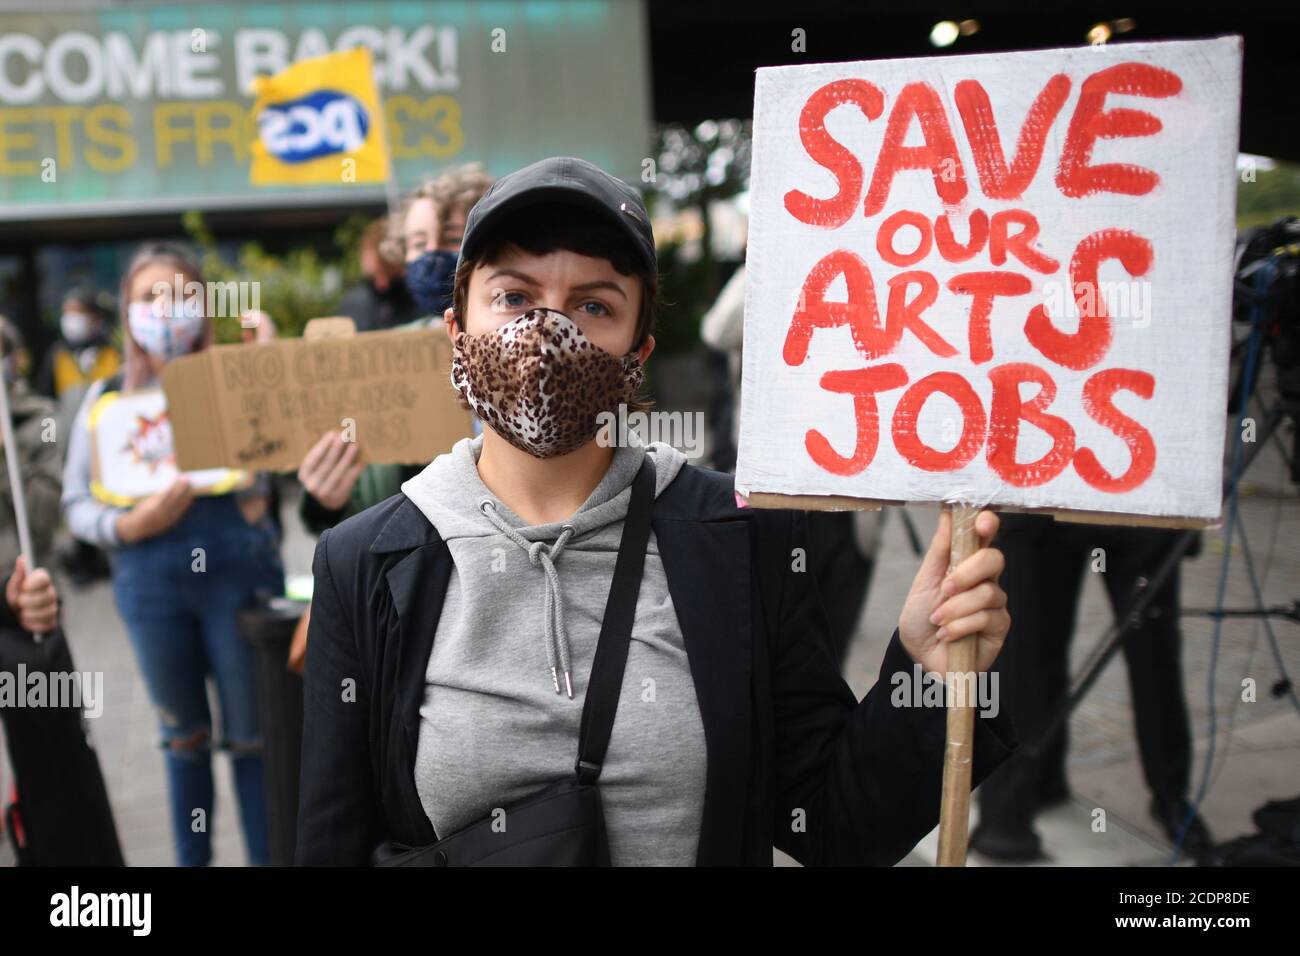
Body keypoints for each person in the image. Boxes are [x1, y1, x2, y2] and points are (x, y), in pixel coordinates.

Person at [296, 156, 1017, 866]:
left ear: (638, 351)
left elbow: (835, 826)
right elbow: (334, 842)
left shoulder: (741, 535)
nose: (547, 334)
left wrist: (926, 674)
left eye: (594, 306)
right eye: (513, 298)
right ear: (457, 331)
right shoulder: (365, 561)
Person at [61, 242, 284, 867]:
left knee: (252, 740)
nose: (165, 308)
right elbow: (76, 504)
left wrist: (266, 370)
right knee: (182, 739)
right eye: (148, 296)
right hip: (150, 585)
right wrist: (128, 526)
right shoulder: (103, 404)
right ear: (127, 312)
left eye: (181, 293)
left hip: (239, 575)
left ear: (204, 305)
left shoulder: (237, 379)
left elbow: (281, 461)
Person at [971, 515, 1210, 862]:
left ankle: (1171, 796)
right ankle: (1024, 795)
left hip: (1138, 503)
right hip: (1040, 499)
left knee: (1154, 654)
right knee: (1026, 653)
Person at [0, 317, 63, 575]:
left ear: (13, 360)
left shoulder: (43, 419)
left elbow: (43, 519)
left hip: (30, 585)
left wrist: (6, 452)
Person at [334, 218, 421, 333]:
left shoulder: (422, 300)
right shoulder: (353, 307)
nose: (382, 284)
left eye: (389, 275)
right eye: (374, 276)